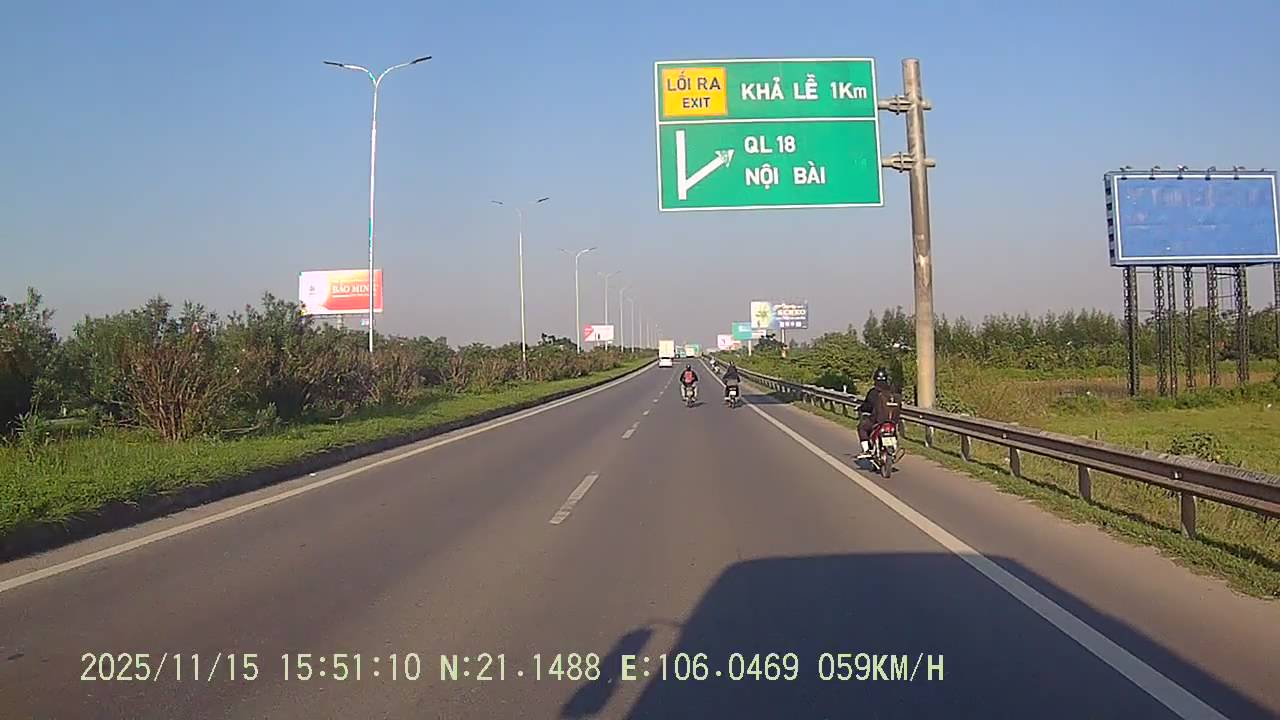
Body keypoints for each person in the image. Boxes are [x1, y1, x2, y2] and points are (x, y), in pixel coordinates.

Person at [857, 367, 901, 458]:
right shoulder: (892, 392)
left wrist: (861, 408)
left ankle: (866, 450)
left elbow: (868, 406)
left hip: (877, 420)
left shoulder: (874, 392)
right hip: (893, 421)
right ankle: (894, 447)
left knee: (862, 427)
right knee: (893, 431)